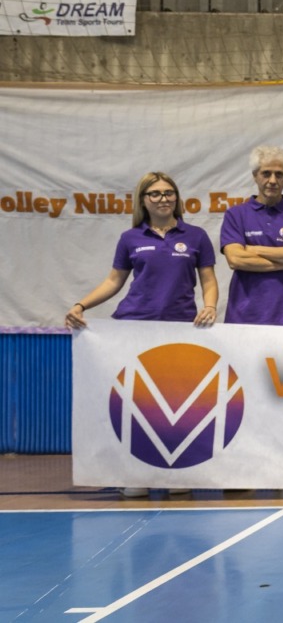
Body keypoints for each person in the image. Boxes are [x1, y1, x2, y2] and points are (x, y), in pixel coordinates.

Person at [65, 171, 217, 499]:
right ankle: (134, 472)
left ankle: (177, 473)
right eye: (155, 193)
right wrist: (81, 305)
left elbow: (208, 279)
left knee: (178, 404)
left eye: (168, 192)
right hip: (133, 328)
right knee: (137, 404)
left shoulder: (196, 236)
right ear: (144, 200)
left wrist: (210, 306)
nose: (163, 198)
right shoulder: (130, 238)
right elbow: (114, 281)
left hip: (181, 329)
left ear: (177, 198)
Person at [220, 145, 283, 326]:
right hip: (246, 315)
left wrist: (253, 249)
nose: (272, 180)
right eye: (266, 173)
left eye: (279, 174)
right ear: (255, 176)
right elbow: (236, 259)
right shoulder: (235, 214)